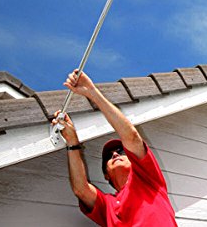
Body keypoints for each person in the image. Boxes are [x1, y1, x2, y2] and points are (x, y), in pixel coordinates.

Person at [52, 69, 177, 226]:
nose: (115, 155)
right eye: (108, 157)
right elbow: (81, 190)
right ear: (106, 175)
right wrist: (72, 141)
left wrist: (92, 92)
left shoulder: (148, 179)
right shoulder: (107, 205)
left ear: (134, 162)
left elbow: (131, 137)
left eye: (121, 151)